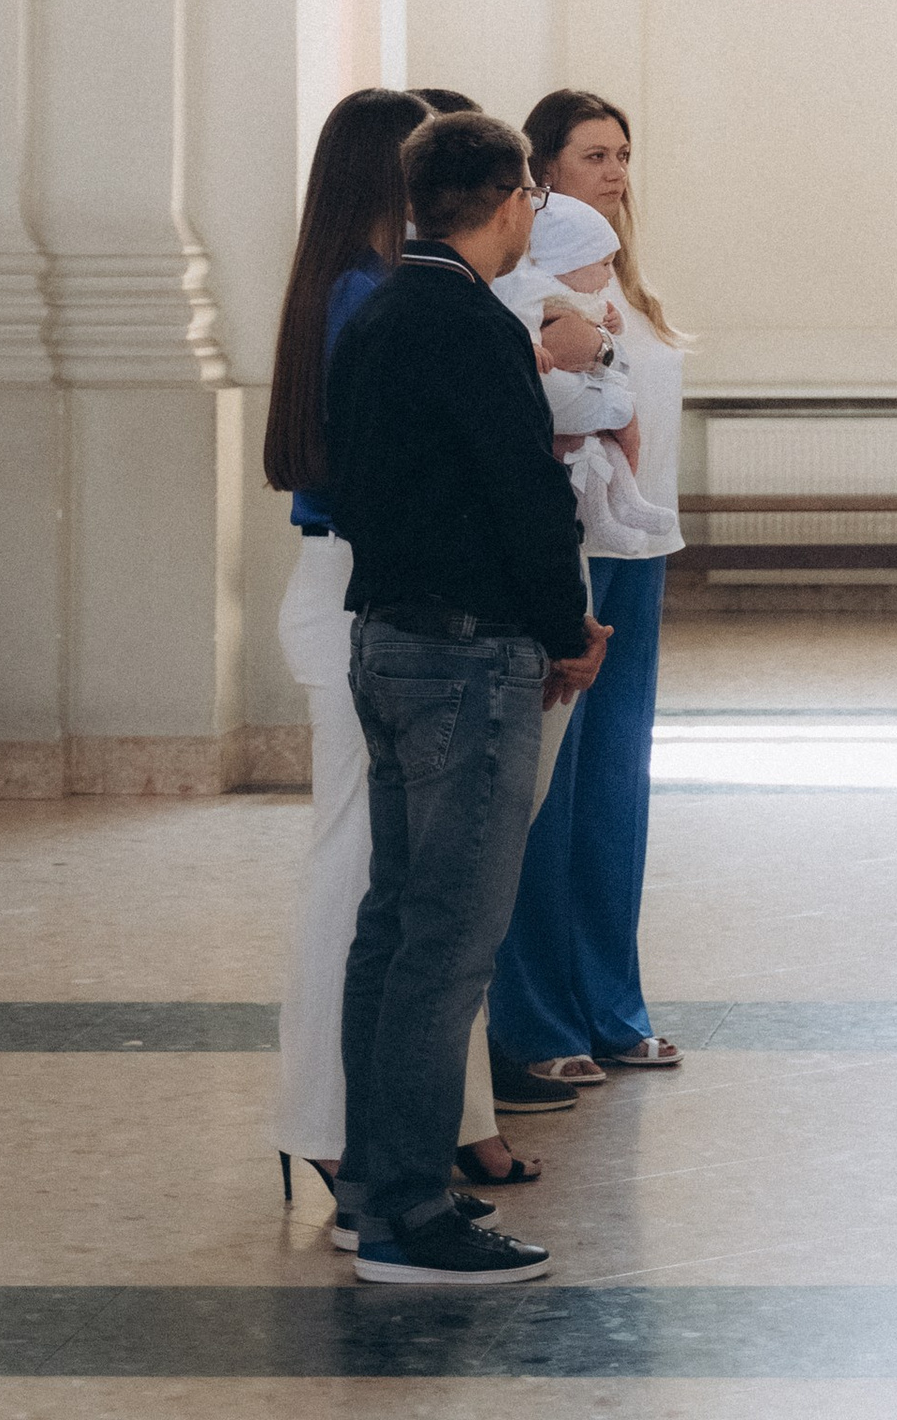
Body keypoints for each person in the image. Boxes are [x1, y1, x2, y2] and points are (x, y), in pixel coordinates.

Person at [328, 109, 610, 1285]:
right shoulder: (471, 321)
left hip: (387, 637)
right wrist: (565, 628)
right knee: (448, 939)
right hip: (465, 654)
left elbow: (353, 487)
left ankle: (369, 1187)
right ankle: (407, 1212)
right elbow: (523, 495)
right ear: (510, 202)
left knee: (394, 927)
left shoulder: (382, 307)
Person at [261, 88, 529, 1220]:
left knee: (417, 888)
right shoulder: (371, 295)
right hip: (369, 592)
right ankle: (333, 1130)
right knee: (372, 884)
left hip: (362, 587)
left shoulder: (358, 286)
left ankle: (434, 1120)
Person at [488, 90, 687, 1098]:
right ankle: (535, 1014)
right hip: (563, 551)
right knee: (549, 792)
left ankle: (614, 1000)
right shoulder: (525, 289)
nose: (615, 169)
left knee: (616, 787)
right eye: (593, 153)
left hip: (639, 549)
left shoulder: (634, 297)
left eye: (623, 152)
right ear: (543, 171)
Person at [501, 188, 676, 551]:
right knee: (594, 442)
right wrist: (534, 342)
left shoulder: (581, 293)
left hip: (585, 384)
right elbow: (521, 316)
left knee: (601, 446)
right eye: (601, 264)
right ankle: (601, 519)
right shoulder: (534, 286)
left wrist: (611, 323)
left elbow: (602, 332)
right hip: (557, 387)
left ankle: (629, 502)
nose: (608, 275)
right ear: (569, 262)